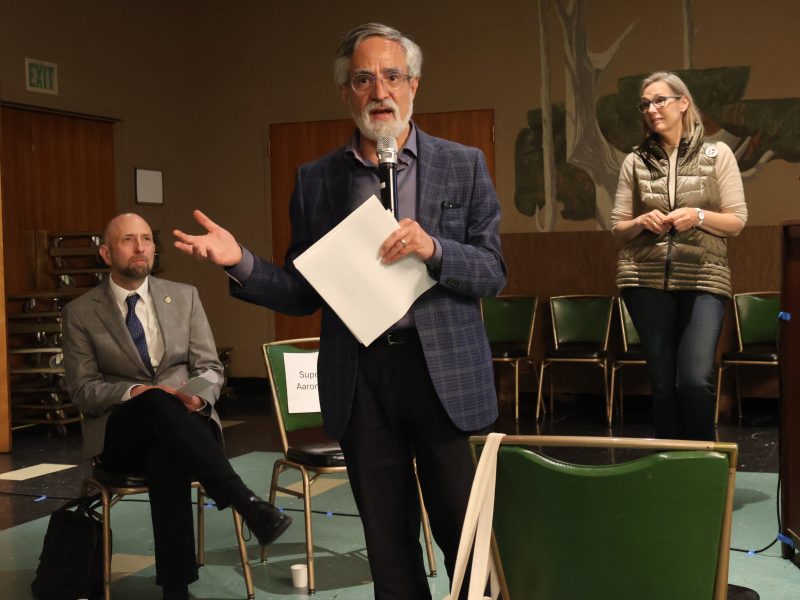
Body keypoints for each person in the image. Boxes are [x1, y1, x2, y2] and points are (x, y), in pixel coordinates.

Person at [173, 22, 506, 599]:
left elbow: (492, 272)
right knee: (387, 540)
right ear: (346, 93)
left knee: (468, 533)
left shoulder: (463, 164)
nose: (380, 90)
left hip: (445, 376)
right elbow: (304, 292)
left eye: (392, 76)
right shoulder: (316, 180)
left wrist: (435, 250)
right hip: (361, 379)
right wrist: (241, 263)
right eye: (363, 78)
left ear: (414, 85)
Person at [62, 213, 292, 600]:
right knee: (153, 401)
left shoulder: (183, 296)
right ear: (106, 253)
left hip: (184, 423)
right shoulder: (81, 312)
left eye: (147, 239)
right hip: (122, 434)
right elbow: (83, 390)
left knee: (166, 454)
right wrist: (136, 393)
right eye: (128, 240)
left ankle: (176, 588)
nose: (140, 247)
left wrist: (199, 395)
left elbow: (210, 367)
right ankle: (246, 502)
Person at [611, 71, 748, 441]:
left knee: (692, 380)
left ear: (682, 103)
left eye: (660, 100)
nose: (651, 109)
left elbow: (737, 221)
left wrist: (698, 215)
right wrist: (641, 220)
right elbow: (618, 227)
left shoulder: (717, 154)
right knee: (662, 384)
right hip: (644, 279)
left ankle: (703, 465)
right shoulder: (634, 161)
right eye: (645, 104)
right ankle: (670, 468)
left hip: (704, 277)